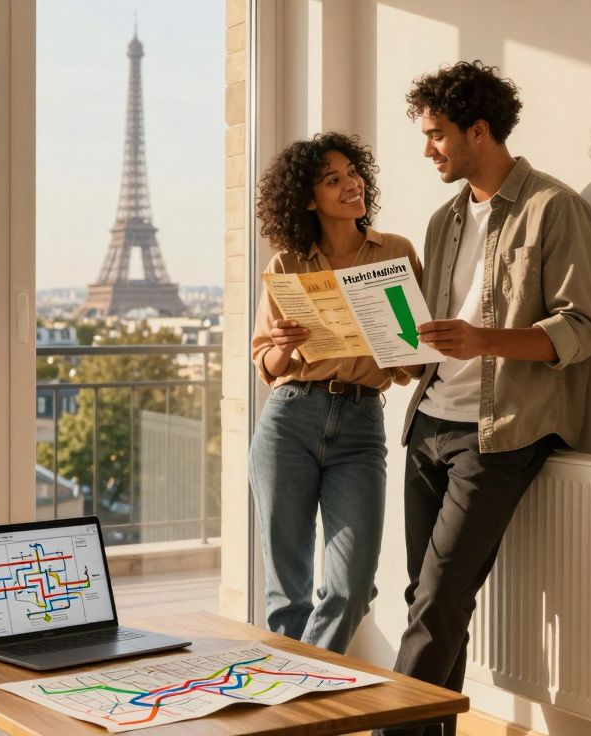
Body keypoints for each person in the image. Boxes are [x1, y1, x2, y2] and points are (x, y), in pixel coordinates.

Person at [386, 61, 591, 736]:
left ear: (478, 131)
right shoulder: (443, 220)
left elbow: (581, 329)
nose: (428, 150)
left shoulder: (555, 208)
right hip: (427, 422)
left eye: (437, 135)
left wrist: (484, 341)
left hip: (499, 430)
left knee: (437, 600)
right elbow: (435, 330)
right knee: (428, 599)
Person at [249, 132, 422, 655]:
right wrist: (283, 346)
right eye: (333, 179)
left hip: (361, 424)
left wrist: (391, 333)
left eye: (353, 173)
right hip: (290, 419)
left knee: (351, 587)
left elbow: (415, 363)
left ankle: (297, 677)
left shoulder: (396, 253)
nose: (352, 184)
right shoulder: (287, 265)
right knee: (288, 593)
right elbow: (266, 364)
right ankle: (299, 697)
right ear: (308, 200)